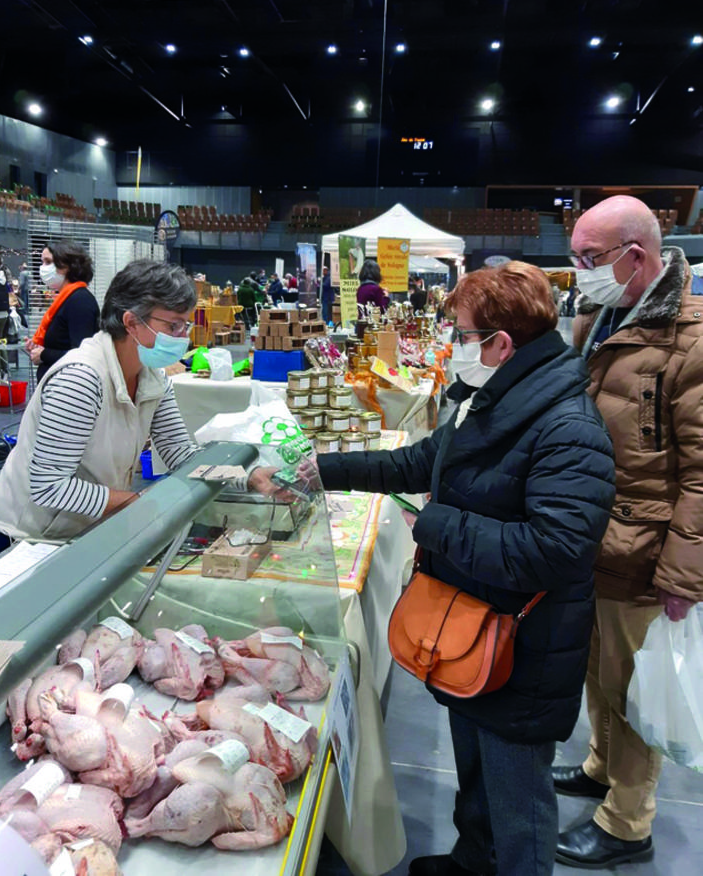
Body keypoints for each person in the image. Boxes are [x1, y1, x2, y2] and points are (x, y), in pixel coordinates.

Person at [251, 261, 616, 875]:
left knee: (517, 791)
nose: (455, 346)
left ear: (501, 344)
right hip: (473, 622)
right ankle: (474, 859)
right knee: (474, 762)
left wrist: (437, 524)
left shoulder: (566, 427)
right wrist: (323, 468)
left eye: (465, 335)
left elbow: (555, 549)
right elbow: (423, 461)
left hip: (522, 642)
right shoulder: (498, 396)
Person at [554, 196, 703, 869]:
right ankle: (598, 766)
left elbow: (702, 474)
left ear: (633, 256)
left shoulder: (689, 339)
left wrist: (680, 576)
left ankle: (626, 822)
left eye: (588, 259)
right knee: (597, 671)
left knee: (632, 688)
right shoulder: (603, 316)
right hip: (594, 537)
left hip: (643, 552)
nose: (577, 270)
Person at [0, 259, 198, 560]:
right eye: (173, 325)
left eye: (186, 324)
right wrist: (138, 502)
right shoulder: (81, 379)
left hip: (80, 529)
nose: (183, 336)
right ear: (131, 322)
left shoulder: (151, 375)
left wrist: (241, 475)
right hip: (25, 538)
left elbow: (178, 451)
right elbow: (50, 487)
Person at [27, 241, 100, 383]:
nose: (42, 268)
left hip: (68, 386)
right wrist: (40, 347)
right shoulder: (65, 298)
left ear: (66, 266)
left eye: (48, 262)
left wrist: (44, 354)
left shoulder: (79, 301)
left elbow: (82, 354)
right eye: (42, 262)